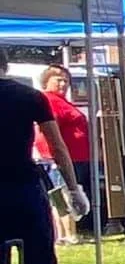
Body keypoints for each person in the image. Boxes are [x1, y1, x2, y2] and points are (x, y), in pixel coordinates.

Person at [0, 49, 89, 264]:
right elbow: (56, 144)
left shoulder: (33, 97)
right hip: (24, 186)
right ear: (5, 65)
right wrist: (73, 188)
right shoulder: (29, 97)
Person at [32, 66, 95, 242]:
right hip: (61, 158)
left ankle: (64, 234)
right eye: (58, 79)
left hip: (78, 157)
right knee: (63, 194)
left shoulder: (63, 101)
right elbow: (47, 132)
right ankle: (69, 234)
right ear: (46, 81)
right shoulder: (49, 100)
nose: (63, 83)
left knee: (63, 194)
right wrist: (52, 155)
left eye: (66, 80)